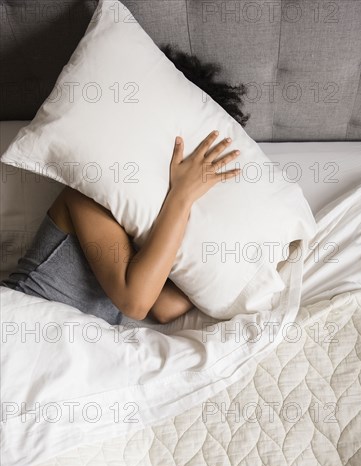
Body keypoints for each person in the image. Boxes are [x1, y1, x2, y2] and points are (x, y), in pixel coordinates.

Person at [0, 45, 251, 325]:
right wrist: (182, 196)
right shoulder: (89, 191)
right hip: (19, 323)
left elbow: (165, 307)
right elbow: (136, 301)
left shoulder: (145, 222)